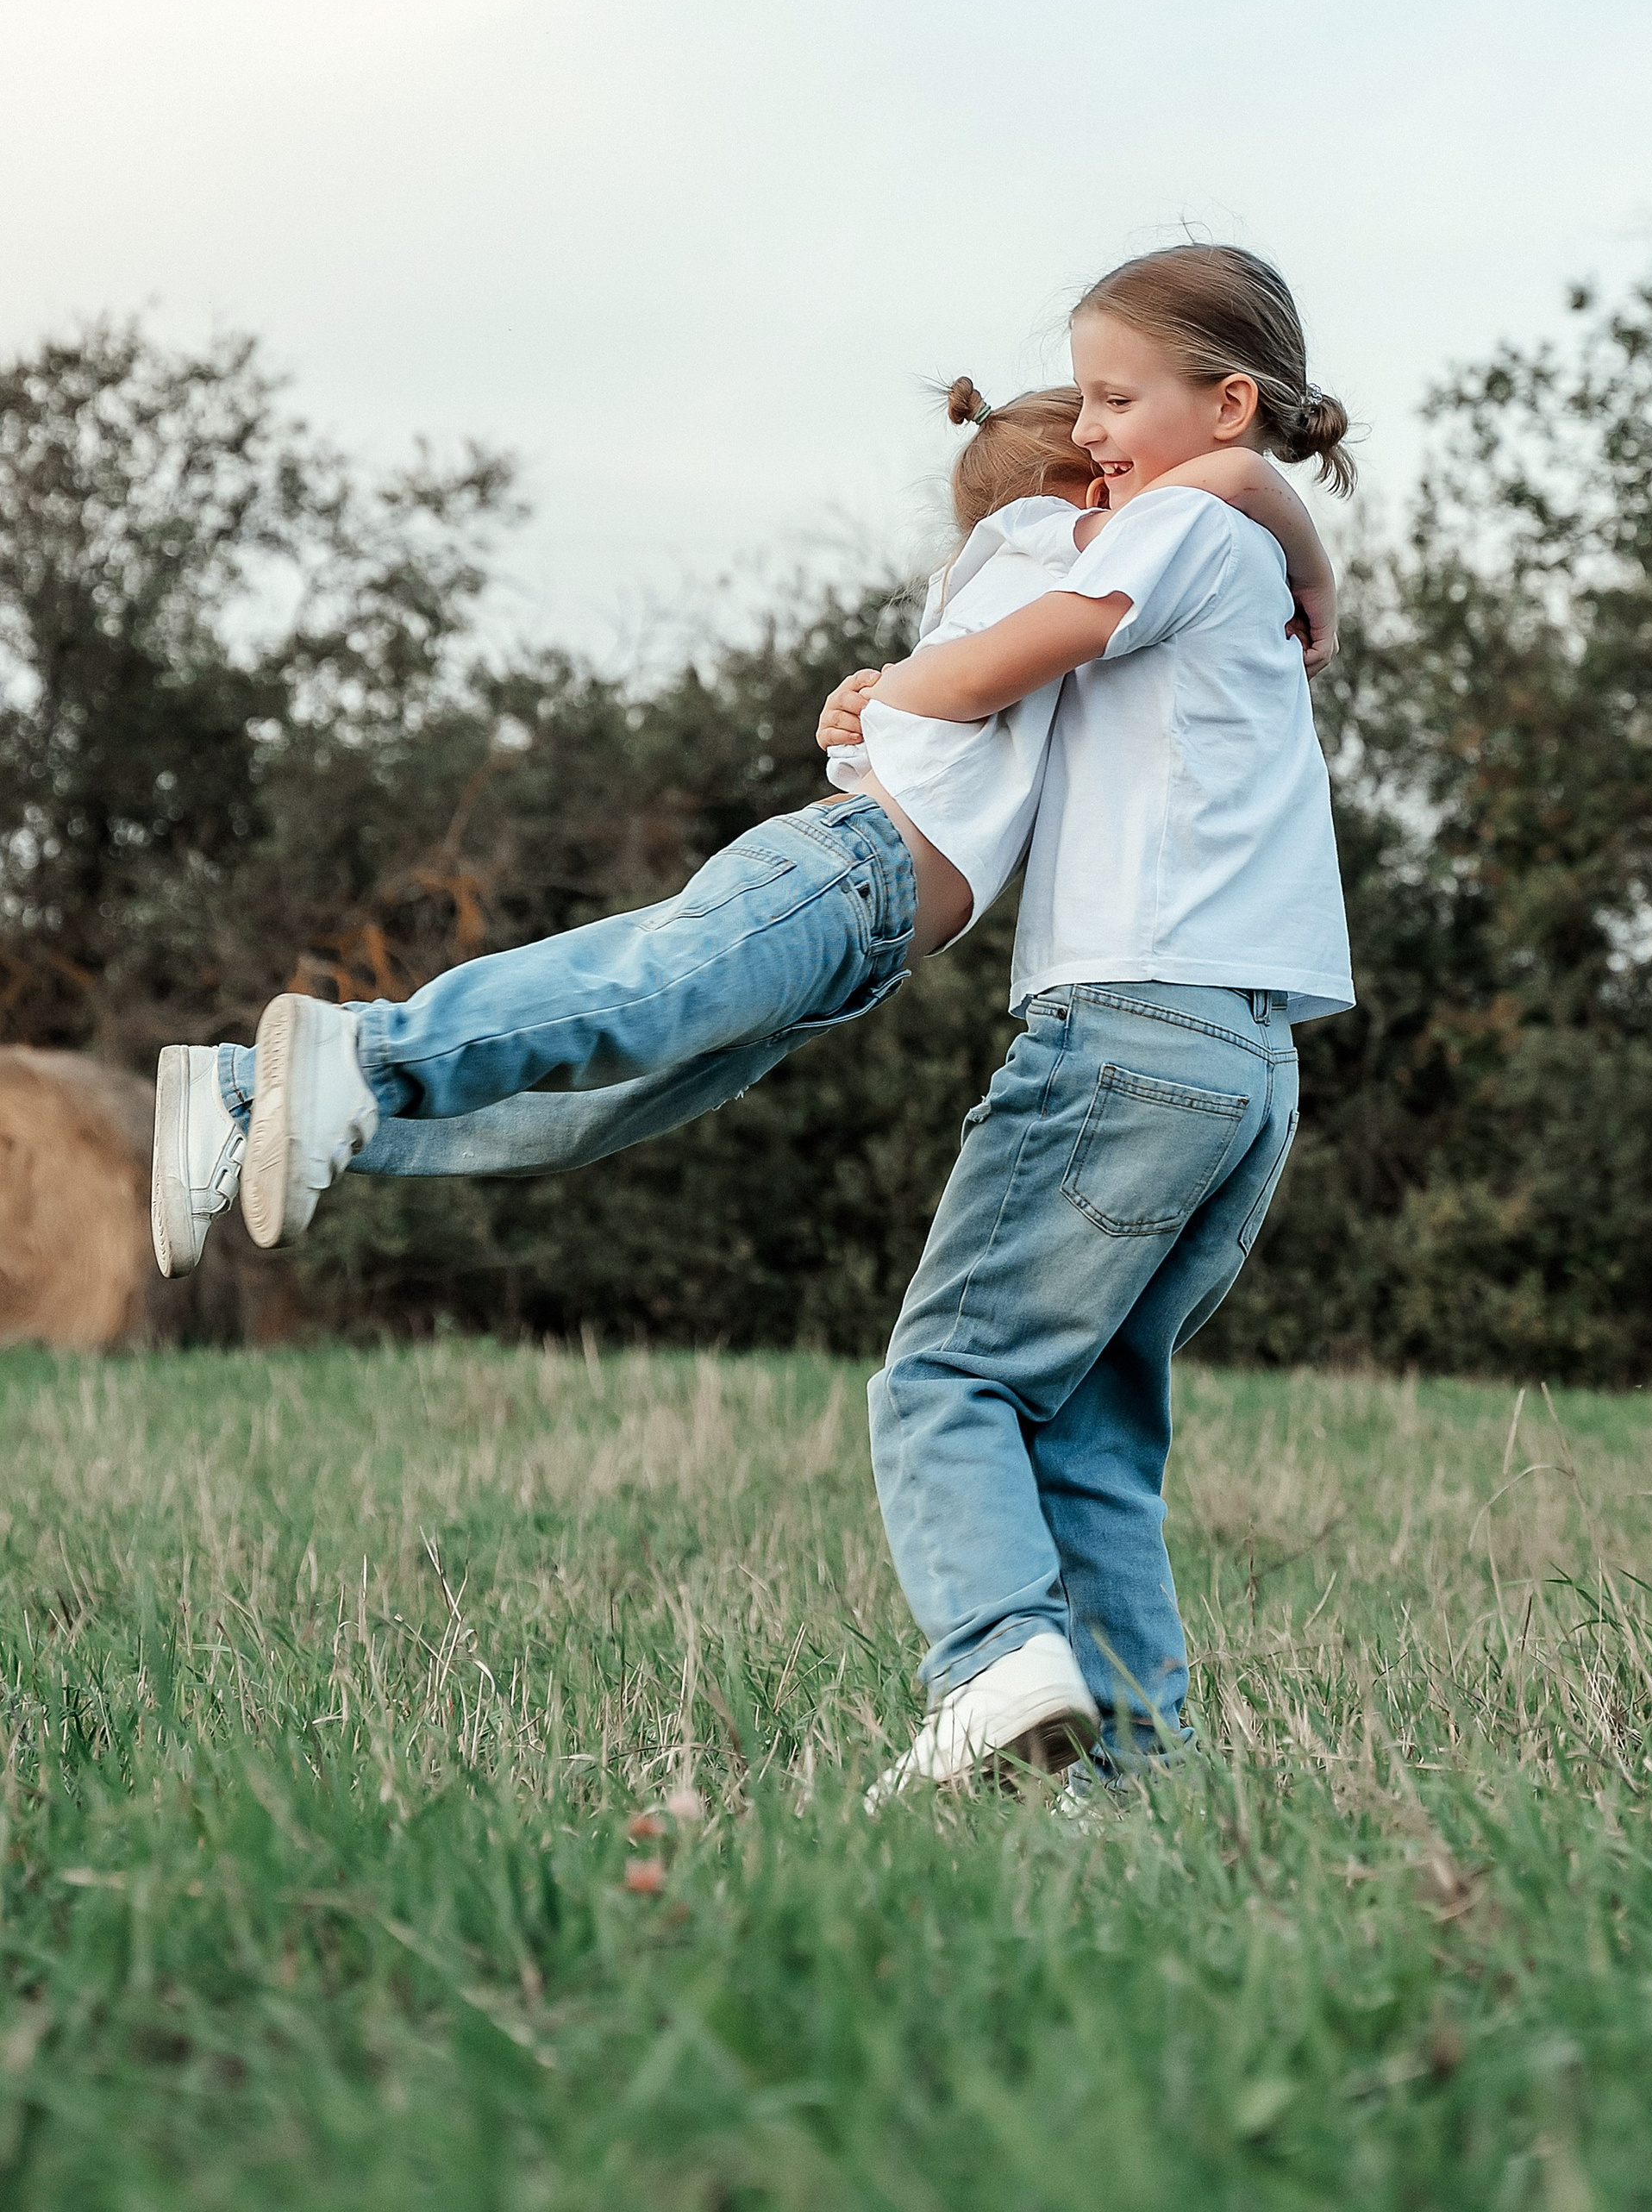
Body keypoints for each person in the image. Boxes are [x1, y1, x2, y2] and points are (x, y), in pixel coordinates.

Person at [148, 379, 1338, 1276]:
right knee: (633, 993)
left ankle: (275, 1106)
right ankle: (328, 1062)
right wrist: (1309, 565)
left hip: (859, 934)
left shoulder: (1015, 588)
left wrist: (868, 701)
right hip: (843, 882)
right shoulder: (1050, 542)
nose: (1132, 481)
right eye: (1108, 464)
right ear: (1075, 493)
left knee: (600, 1105)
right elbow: (1229, 477)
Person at [854, 245, 1356, 1807]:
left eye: (1115, 401)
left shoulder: (1178, 532)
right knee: (1087, 1435)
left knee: (948, 1381)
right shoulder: (1238, 535)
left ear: (1228, 403)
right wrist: (1304, 545)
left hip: (1129, 1024)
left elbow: (997, 667)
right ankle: (1136, 1789)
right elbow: (1263, 491)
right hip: (1245, 1061)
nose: (1088, 436)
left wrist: (891, 688)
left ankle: (995, 1662)